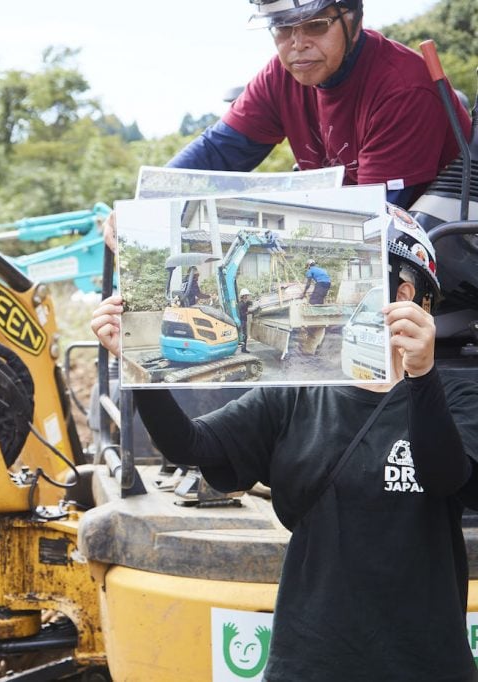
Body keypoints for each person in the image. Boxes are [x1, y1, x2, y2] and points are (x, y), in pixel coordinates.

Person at [91, 207, 478, 680]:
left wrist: (422, 377)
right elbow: (190, 445)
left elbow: (445, 476)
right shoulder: (299, 395)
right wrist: (135, 368)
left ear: (407, 294)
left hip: (424, 665)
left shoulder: (456, 396)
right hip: (310, 662)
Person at [170, 0, 470, 209]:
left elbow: (373, 218)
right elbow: (215, 152)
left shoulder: (401, 87)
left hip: (435, 248)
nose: (298, 44)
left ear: (354, 20)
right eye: (283, 28)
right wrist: (136, 209)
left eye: (315, 25)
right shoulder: (280, 75)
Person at [237, 288, 253, 352]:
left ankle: (243, 348)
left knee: (244, 335)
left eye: (247, 295)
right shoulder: (241, 304)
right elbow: (241, 314)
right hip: (242, 321)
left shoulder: (244, 303)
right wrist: (248, 312)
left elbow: (249, 304)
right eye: (246, 295)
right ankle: (243, 349)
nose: (247, 297)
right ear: (243, 296)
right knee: (244, 335)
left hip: (244, 320)